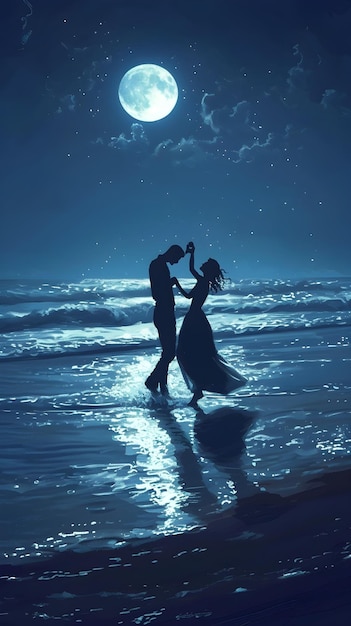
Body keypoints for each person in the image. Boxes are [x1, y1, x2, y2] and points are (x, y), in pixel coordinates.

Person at [174, 242, 246, 408]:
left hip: (194, 320)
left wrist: (177, 282)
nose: (202, 264)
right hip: (195, 318)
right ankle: (198, 390)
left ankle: (198, 390)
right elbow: (189, 290)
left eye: (205, 264)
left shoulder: (202, 282)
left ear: (207, 270)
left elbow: (189, 282)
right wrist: (191, 254)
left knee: (187, 353)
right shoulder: (202, 282)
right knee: (192, 354)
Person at [145, 244, 185, 395]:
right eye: (178, 258)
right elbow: (157, 290)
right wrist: (171, 282)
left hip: (166, 311)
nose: (177, 262)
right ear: (172, 254)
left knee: (167, 351)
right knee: (169, 353)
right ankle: (152, 380)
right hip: (163, 312)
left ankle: (163, 384)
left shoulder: (159, 264)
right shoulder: (156, 265)